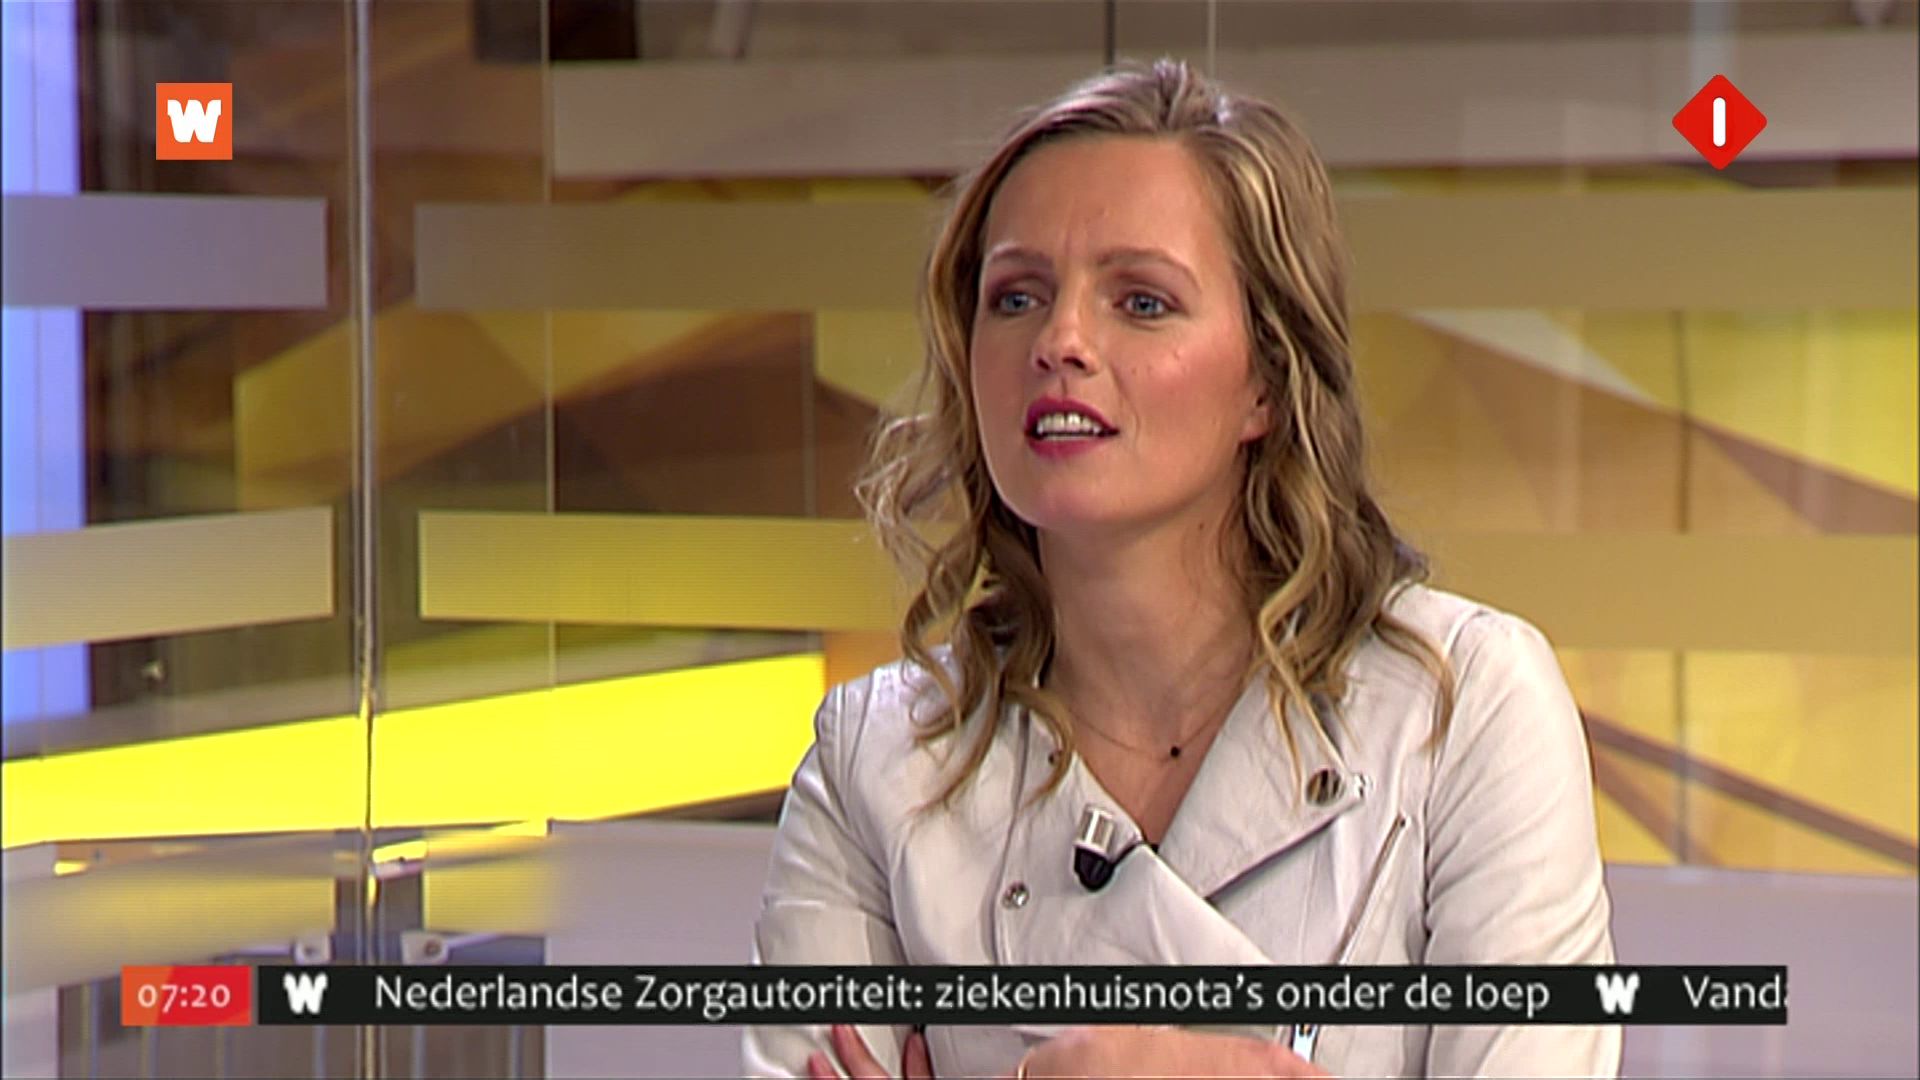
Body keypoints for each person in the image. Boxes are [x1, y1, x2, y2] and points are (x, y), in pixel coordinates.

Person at [743, 58, 1618, 1079]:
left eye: (1143, 302)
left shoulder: (1464, 709)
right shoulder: (874, 761)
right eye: (1016, 296)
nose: (1060, 341)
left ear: (1266, 381)